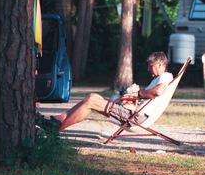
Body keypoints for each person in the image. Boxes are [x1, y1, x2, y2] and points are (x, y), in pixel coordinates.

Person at [44, 51, 173, 132]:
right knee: (92, 96)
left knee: (91, 101)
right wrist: (132, 98)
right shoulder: (159, 78)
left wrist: (138, 93)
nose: (148, 69)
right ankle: (60, 119)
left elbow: (159, 92)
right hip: (133, 113)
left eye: (151, 66)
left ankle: (56, 131)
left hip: (135, 118)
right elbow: (150, 97)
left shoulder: (165, 77)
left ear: (161, 64)